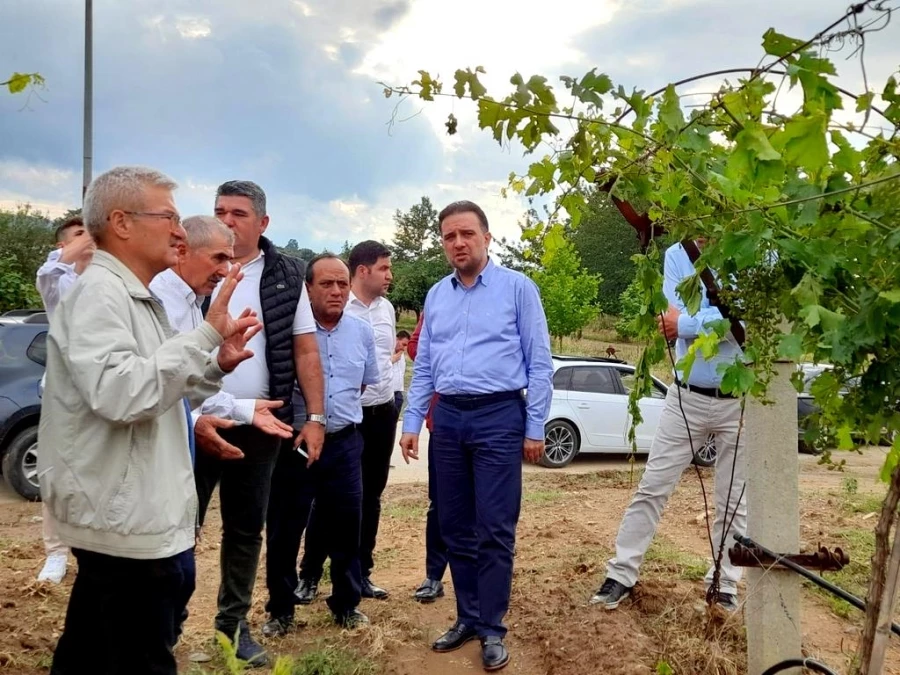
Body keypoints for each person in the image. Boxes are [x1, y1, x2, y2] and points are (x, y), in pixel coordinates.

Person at [37, 166, 260, 675]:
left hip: (127, 516)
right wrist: (204, 336)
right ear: (121, 222)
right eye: (169, 218)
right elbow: (122, 393)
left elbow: (156, 387)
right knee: (139, 658)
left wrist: (214, 364)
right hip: (126, 521)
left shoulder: (132, 295)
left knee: (89, 654)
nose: (180, 232)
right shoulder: (100, 294)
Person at [399, 201, 554, 673]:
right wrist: (410, 422)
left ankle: (492, 627)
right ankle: (467, 616)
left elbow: (540, 363)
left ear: (487, 237)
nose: (458, 243)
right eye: (449, 237)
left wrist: (534, 426)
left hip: (498, 417)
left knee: (495, 528)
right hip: (448, 419)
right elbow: (424, 365)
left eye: (466, 233)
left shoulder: (517, 289)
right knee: (453, 525)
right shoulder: (436, 295)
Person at [195, 180, 325, 666]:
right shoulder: (190, 263)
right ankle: (165, 623)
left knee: (247, 528)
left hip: (262, 421)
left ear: (263, 223)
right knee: (177, 524)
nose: (226, 220)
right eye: (219, 211)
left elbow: (306, 349)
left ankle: (232, 628)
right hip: (195, 416)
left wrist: (314, 417)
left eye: (238, 213)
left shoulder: (287, 275)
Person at [590, 240, 746, 612]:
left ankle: (724, 585)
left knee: (733, 501)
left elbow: (745, 318)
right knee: (652, 487)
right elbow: (671, 322)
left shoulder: (751, 242)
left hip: (741, 397)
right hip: (686, 395)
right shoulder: (677, 255)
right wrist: (712, 321)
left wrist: (692, 322)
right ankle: (621, 574)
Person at [263, 254, 379, 638]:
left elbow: (362, 384)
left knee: (348, 526)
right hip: (295, 443)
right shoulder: (289, 332)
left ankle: (345, 604)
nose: (336, 291)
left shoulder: (362, 331)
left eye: (342, 284)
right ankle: (281, 609)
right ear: (307, 288)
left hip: (345, 443)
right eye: (326, 284)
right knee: (285, 527)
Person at [297, 241, 397, 602]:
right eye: (384, 268)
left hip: (382, 412)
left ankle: (361, 574)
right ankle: (309, 574)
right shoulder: (334, 310)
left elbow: (380, 365)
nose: (390, 275)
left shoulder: (386, 310)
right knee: (323, 499)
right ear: (363, 271)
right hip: (341, 420)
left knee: (368, 498)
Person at [34, 215, 96, 584]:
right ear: (63, 245)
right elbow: (48, 270)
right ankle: (56, 554)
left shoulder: (111, 279)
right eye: (79, 235)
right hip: (63, 394)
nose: (90, 240)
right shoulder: (59, 283)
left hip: (102, 390)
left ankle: (92, 549)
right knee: (57, 475)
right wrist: (92, 230)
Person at [407, 312, 447, 604]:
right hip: (443, 422)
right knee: (441, 504)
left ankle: (485, 579)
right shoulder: (438, 302)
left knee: (486, 509)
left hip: (489, 422)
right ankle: (434, 575)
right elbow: (415, 348)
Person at [392, 330, 411, 414]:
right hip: (388, 394)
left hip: (398, 392)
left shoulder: (402, 354)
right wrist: (394, 358)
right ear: (396, 339)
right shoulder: (387, 352)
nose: (403, 348)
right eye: (403, 344)